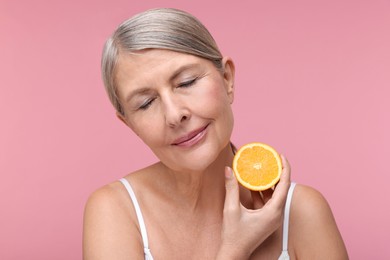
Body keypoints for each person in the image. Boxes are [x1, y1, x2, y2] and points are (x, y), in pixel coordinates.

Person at [83, 8, 348, 259]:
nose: (174, 115)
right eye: (146, 103)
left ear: (227, 79)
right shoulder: (115, 211)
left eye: (186, 82)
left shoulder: (303, 214)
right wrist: (234, 250)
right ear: (130, 125)